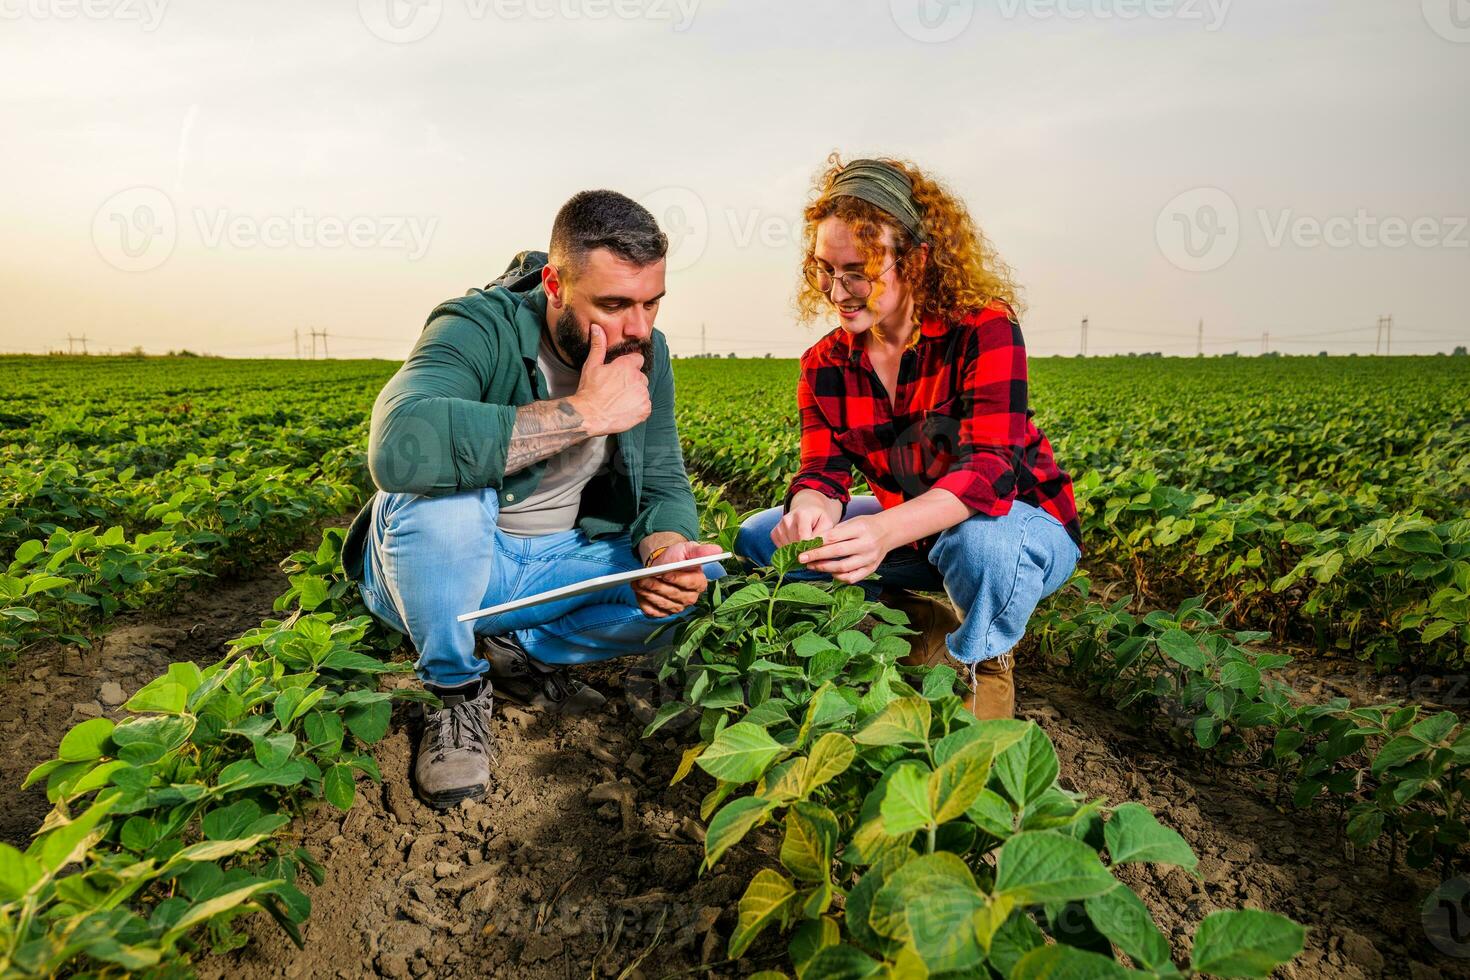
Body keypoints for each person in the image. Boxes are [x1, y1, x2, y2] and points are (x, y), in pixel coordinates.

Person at [341, 190, 725, 809]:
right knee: (445, 500)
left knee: (695, 579)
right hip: (441, 565)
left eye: (652, 303)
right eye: (614, 304)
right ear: (554, 284)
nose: (639, 328)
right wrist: (586, 412)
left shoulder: (647, 352)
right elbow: (398, 446)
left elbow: (662, 482)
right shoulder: (476, 324)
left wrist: (663, 551)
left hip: (555, 562)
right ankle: (456, 689)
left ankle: (515, 650)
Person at [735, 157, 1082, 720]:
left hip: (1019, 526)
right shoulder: (823, 364)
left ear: (916, 261)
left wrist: (881, 531)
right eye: (825, 269)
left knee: (979, 542)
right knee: (761, 540)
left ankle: (984, 665)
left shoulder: (983, 327)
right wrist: (809, 510)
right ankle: (920, 624)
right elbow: (823, 472)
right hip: (914, 532)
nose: (837, 291)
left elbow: (990, 468)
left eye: (858, 271)